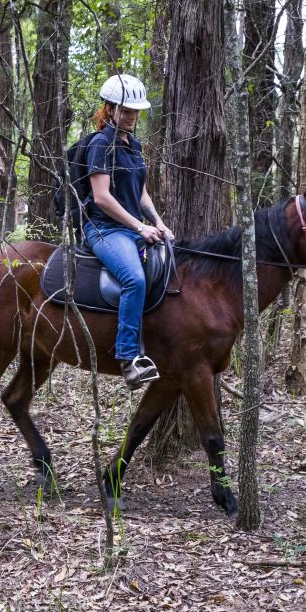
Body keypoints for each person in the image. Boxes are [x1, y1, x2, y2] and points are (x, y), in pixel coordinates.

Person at [82, 74, 174, 389]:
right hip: (105, 229)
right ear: (109, 109)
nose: (132, 116)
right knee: (134, 279)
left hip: (132, 228)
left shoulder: (132, 144)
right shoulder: (100, 144)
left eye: (135, 111)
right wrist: (138, 226)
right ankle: (128, 358)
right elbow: (102, 197)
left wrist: (158, 223)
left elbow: (142, 194)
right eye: (125, 110)